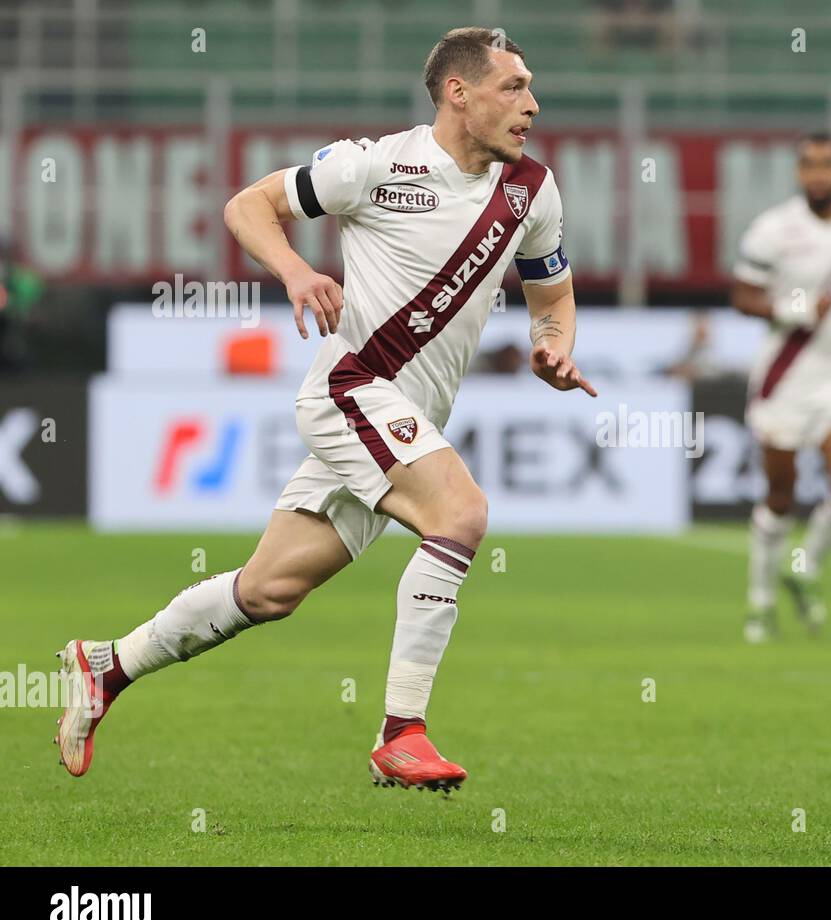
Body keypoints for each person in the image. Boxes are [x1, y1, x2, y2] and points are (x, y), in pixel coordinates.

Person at [54, 27, 595, 792]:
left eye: (531, 88)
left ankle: (109, 663)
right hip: (352, 389)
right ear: (458, 93)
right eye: (514, 88)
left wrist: (554, 346)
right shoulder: (374, 165)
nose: (532, 105)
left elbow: (554, 298)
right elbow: (248, 207)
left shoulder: (532, 190)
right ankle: (401, 733)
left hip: (403, 417)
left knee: (267, 591)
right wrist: (296, 271)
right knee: (461, 516)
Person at [731, 133, 831, 643]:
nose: (819, 174)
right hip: (786, 376)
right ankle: (760, 602)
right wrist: (794, 309)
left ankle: (806, 565)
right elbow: (742, 296)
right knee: (780, 494)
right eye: (810, 165)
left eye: (829, 165)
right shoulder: (773, 230)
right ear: (799, 172)